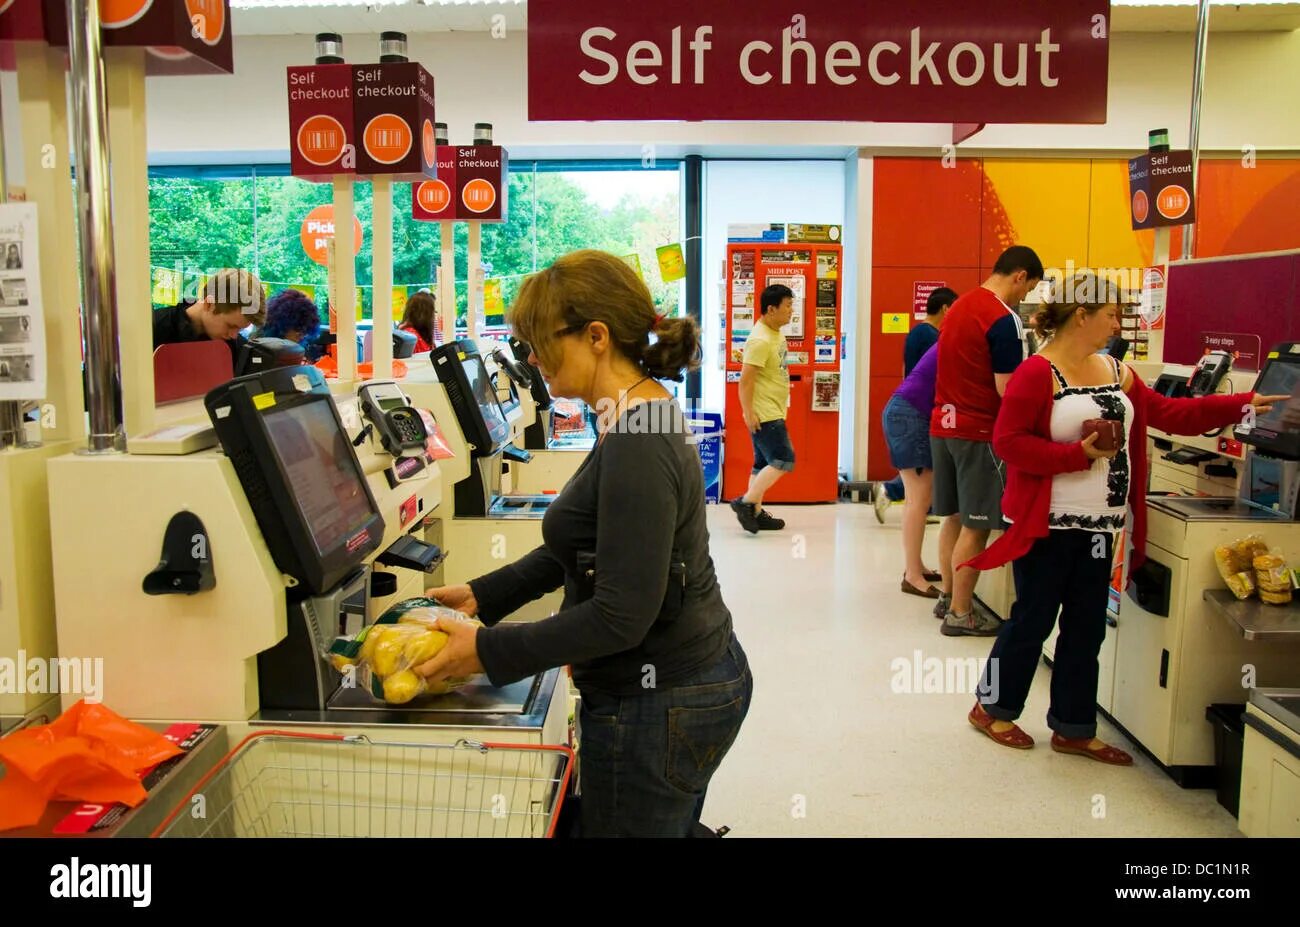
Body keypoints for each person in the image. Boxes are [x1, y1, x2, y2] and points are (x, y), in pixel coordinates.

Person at [412, 249, 753, 837]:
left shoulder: (637, 440)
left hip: (662, 696)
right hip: (684, 677)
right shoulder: (632, 411)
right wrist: (484, 593)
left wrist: (487, 651)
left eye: (544, 340)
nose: (533, 358)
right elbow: (595, 538)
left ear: (597, 336)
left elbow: (621, 616)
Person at [962, 273, 1285, 764]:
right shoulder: (1037, 373)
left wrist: (1241, 402)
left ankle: (1073, 726)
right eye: (1112, 313)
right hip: (1046, 523)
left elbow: (1171, 414)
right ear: (1082, 316)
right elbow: (1008, 444)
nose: (1119, 322)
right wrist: (1077, 455)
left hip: (1101, 526)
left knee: (1086, 628)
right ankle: (992, 708)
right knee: (1032, 620)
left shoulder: (1116, 369)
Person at [931, 245, 1043, 636]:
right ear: (1019, 276)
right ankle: (962, 613)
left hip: (943, 427)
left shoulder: (959, 307)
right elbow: (1007, 389)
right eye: (1028, 289)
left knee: (954, 518)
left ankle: (948, 597)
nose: (1024, 298)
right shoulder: (1003, 318)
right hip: (977, 432)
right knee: (976, 526)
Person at [876, 287, 957, 523]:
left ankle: (918, 503)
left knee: (922, 463)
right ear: (945, 308)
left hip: (911, 401)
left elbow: (906, 369)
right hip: (921, 407)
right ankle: (895, 493)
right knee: (926, 462)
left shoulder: (916, 332)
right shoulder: (933, 336)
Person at [731, 284, 795, 534]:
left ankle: (755, 512)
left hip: (773, 408)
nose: (791, 312)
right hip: (764, 412)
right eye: (788, 306)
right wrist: (748, 412)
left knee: (761, 464)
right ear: (771, 309)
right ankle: (746, 502)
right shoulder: (759, 339)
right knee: (784, 460)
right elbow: (745, 380)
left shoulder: (775, 333)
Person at [883, 342, 943, 597]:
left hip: (905, 412)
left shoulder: (946, 342)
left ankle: (915, 566)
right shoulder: (957, 345)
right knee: (919, 499)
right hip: (912, 416)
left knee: (915, 499)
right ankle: (912, 575)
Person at [152, 268, 266, 366]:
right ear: (209, 304)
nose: (234, 336)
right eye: (230, 326)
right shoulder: (152, 331)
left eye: (240, 329)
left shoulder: (239, 349)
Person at [258, 288, 324, 361]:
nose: (302, 336)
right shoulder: (258, 352)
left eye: (305, 331)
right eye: (298, 328)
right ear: (282, 326)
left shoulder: (293, 348)